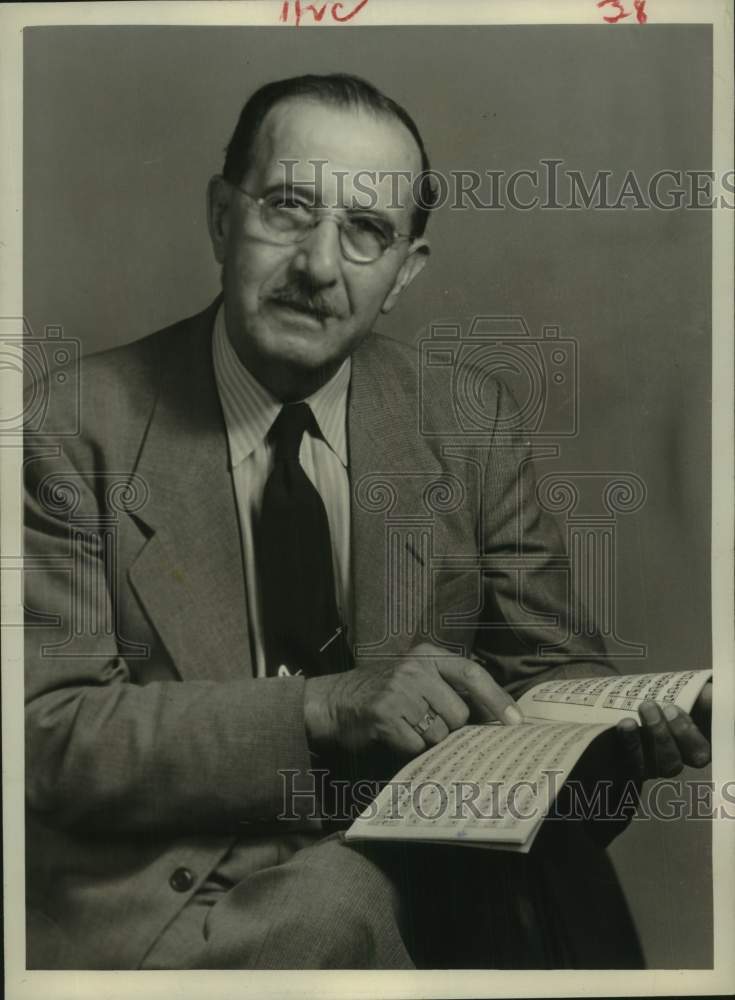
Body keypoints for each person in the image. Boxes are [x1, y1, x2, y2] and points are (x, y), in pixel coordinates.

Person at [24, 73, 712, 971]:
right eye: (287, 208)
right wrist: (320, 707)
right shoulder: (65, 428)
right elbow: (47, 740)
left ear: (402, 274)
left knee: (548, 893)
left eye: (366, 232)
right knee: (342, 909)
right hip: (177, 904)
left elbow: (548, 674)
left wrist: (615, 737)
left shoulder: (467, 421)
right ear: (220, 216)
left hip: (425, 874)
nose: (318, 266)